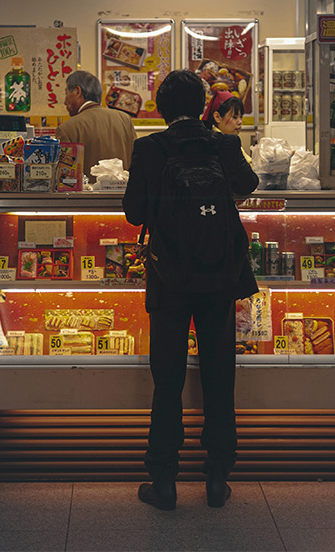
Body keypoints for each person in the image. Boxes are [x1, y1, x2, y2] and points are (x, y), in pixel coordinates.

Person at [122, 69, 259, 510]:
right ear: (203, 106)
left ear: (161, 110)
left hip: (169, 278)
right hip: (219, 274)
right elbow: (249, 185)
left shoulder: (150, 148)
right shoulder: (223, 143)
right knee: (220, 376)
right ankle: (218, 478)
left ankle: (163, 481)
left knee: (168, 379)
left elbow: (133, 212)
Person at [55, 70, 137, 179]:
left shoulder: (67, 129)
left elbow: (65, 178)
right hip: (124, 194)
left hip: (87, 196)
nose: (65, 102)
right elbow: (136, 162)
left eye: (66, 93)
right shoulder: (125, 119)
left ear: (77, 91)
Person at [202, 90, 252, 163]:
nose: (240, 122)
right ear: (217, 117)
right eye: (234, 117)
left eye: (241, 117)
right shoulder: (218, 145)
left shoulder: (228, 140)